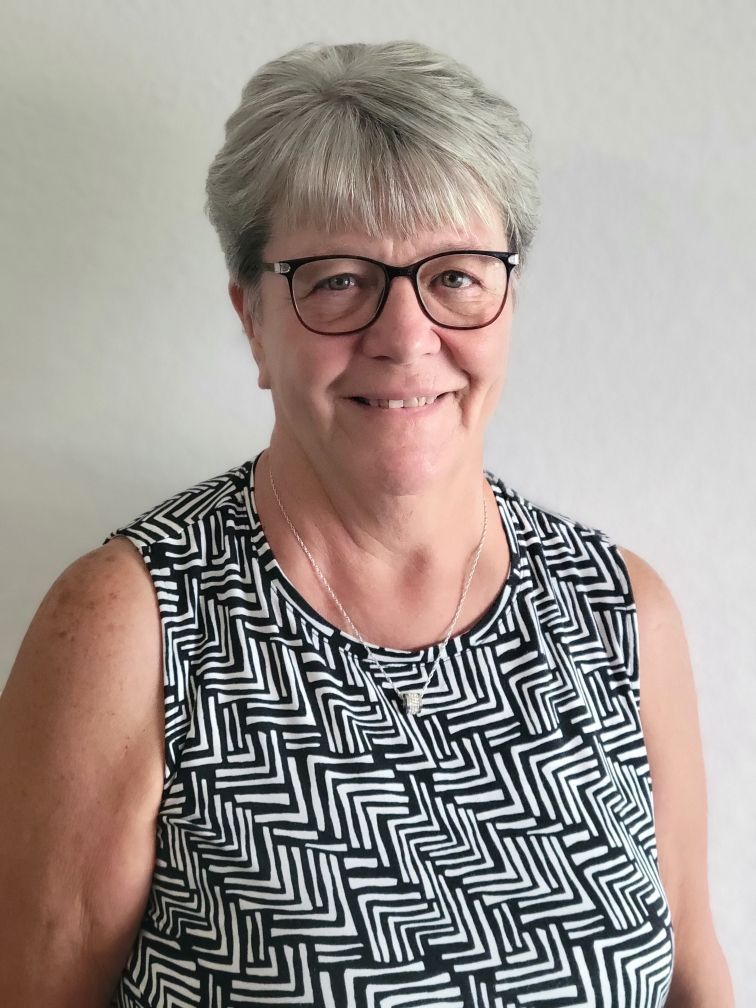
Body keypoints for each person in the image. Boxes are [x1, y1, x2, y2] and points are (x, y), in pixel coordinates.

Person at [0, 39, 733, 1008]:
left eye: (456, 276)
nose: (404, 337)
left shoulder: (622, 617)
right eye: (339, 278)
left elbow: (692, 976)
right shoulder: (125, 628)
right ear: (253, 319)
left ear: (509, 301)